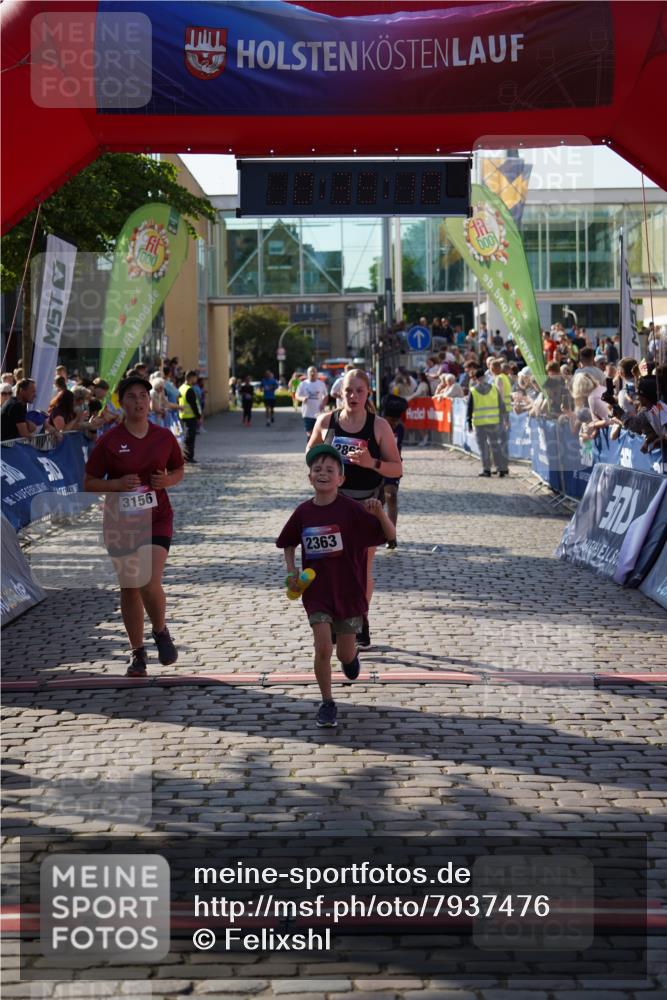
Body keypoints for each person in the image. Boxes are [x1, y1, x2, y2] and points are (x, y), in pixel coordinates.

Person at [276, 443, 396, 727]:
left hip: (349, 593)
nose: (323, 473)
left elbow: (390, 536)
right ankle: (327, 702)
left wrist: (379, 512)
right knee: (322, 648)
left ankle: (350, 657)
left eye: (330, 469)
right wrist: (292, 569)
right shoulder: (303, 512)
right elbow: (287, 542)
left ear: (341, 479)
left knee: (343, 652)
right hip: (317, 594)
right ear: (309, 477)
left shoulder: (352, 511)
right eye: (317, 469)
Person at [83, 375, 185, 677]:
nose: (139, 402)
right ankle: (137, 652)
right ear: (121, 402)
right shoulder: (109, 440)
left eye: (143, 396)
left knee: (148, 578)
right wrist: (115, 483)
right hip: (121, 522)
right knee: (129, 587)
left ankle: (161, 631)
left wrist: (167, 481)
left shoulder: (163, 436)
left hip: (157, 516)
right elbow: (88, 482)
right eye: (131, 397)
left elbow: (178, 468)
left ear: (149, 401)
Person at [306, 368, 402, 649]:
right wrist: (322, 465)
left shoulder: (379, 426)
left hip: (366, 505)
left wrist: (370, 462)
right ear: (340, 392)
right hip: (332, 505)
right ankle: (338, 619)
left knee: (361, 567)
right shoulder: (326, 421)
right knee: (331, 566)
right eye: (348, 390)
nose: (353, 396)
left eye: (359, 390)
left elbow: (397, 467)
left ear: (368, 393)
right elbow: (309, 455)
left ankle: (360, 617)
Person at [467, 367, 509, 477]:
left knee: (483, 447)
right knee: (495, 445)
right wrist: (505, 419)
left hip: (480, 424)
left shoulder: (473, 391)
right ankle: (501, 468)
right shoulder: (494, 389)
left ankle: (486, 469)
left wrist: (468, 423)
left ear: (476, 379)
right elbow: (502, 405)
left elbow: (469, 408)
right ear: (485, 377)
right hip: (493, 422)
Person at [380, 395, 406, 550]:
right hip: (375, 466)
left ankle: (391, 535)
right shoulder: (377, 425)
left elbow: (398, 449)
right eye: (391, 421)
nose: (395, 424)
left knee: (392, 497)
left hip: (392, 466)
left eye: (397, 421)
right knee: (378, 502)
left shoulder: (400, 429)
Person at [295, 366, 328, 436]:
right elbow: (297, 395)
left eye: (314, 371)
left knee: (318, 433)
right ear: (307, 373)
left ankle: (316, 446)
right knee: (309, 433)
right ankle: (310, 446)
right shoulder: (303, 384)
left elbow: (326, 396)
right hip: (307, 412)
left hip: (318, 412)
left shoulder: (321, 384)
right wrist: (302, 398)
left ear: (317, 373)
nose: (312, 373)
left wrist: (323, 404)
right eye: (310, 371)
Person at [178, 369, 202, 463]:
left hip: (182, 416)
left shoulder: (181, 388)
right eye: (195, 377)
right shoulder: (189, 389)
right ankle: (189, 457)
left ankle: (185, 456)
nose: (196, 379)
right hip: (190, 416)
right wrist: (198, 416)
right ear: (190, 378)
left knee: (186, 437)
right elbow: (193, 405)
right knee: (190, 438)